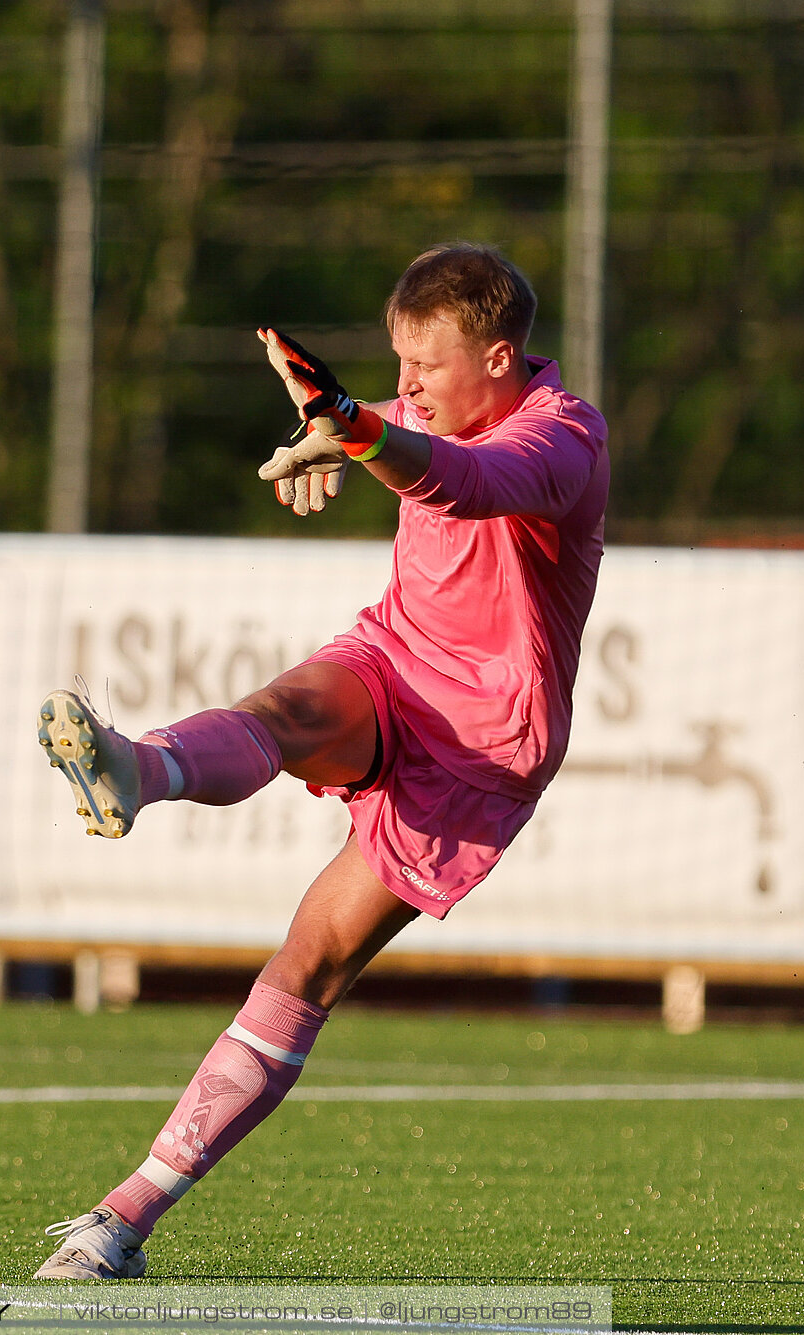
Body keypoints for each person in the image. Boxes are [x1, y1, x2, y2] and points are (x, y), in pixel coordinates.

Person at [32, 242, 609, 1280]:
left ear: (500, 356)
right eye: (395, 363)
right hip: (394, 655)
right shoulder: (430, 407)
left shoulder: (562, 436)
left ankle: (123, 1218)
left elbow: (473, 484)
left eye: (426, 365)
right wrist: (341, 435)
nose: (408, 385)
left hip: (481, 741)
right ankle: (135, 767)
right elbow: (408, 436)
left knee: (308, 965)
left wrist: (356, 430)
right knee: (288, 706)